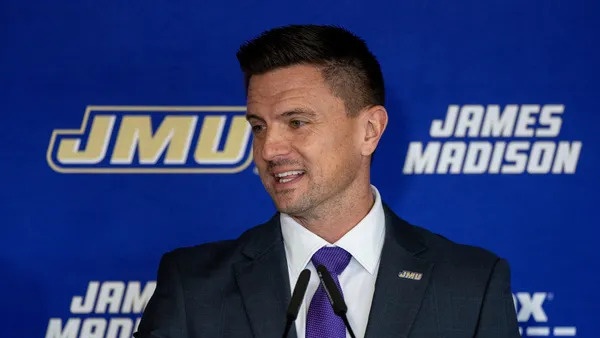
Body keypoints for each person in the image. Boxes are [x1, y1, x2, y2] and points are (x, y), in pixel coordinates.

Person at [136, 24, 520, 338]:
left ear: (369, 130)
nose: (268, 149)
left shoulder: (471, 284)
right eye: (258, 126)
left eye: (297, 122)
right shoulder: (192, 285)